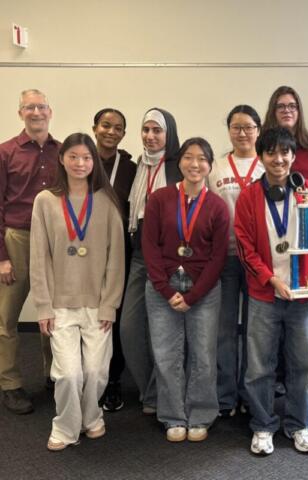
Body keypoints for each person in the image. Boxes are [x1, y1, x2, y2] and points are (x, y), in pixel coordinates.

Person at [234, 127, 308, 455]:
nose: (278, 159)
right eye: (271, 153)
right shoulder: (249, 196)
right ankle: (263, 425)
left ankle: (300, 424)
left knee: (303, 363)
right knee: (260, 365)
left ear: (293, 156)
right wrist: (269, 279)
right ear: (261, 157)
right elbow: (245, 246)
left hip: (302, 295)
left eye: (285, 153)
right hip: (265, 294)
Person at [30, 133, 124, 451]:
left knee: (96, 371)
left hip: (98, 304)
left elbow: (116, 260)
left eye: (86, 157)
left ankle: (92, 417)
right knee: (69, 374)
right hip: (59, 304)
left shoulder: (107, 201)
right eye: (73, 156)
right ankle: (66, 427)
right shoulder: (45, 201)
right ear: (62, 159)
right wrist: (42, 306)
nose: (80, 163)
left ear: (93, 161)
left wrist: (110, 305)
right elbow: (38, 257)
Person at [143, 137, 229, 442]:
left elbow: (219, 257)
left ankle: (201, 414)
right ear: (179, 162)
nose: (195, 164)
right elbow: (149, 247)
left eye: (202, 159)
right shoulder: (159, 199)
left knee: (203, 355)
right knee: (166, 354)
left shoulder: (217, 206)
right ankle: (172, 416)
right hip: (162, 287)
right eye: (189, 158)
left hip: (203, 289)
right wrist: (166, 290)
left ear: (209, 165)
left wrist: (193, 295)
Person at [0, 89, 59, 414]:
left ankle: (55, 375)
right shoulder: (5, 152)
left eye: (41, 106)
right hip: (17, 239)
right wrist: (2, 257)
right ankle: (10, 384)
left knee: (53, 313)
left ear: (50, 111)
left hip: (52, 241)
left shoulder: (63, 152)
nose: (36, 112)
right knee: (6, 318)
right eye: (29, 107)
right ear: (20, 112)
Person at [120, 108, 181, 415]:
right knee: (129, 329)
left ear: (169, 134)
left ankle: (161, 395)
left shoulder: (179, 167)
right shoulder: (136, 166)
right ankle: (149, 389)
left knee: (164, 329)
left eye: (157, 130)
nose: (150, 136)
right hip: (139, 255)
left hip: (168, 260)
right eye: (146, 129)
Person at [209, 105, 264, 417]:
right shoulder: (216, 168)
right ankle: (226, 396)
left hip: (258, 262)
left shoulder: (266, 166)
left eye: (248, 127)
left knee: (257, 331)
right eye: (236, 127)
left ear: (258, 129)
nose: (242, 133)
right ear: (228, 130)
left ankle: (249, 393)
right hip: (227, 259)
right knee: (225, 329)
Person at [92, 108, 137, 413]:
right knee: (86, 314)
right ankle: (87, 377)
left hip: (120, 249)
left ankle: (113, 381)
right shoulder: (80, 160)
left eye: (118, 127)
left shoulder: (131, 168)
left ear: (123, 134)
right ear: (94, 128)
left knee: (115, 316)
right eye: (105, 125)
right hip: (83, 251)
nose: (111, 131)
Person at [263, 86, 308, 180]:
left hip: (306, 194)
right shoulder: (261, 142)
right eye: (281, 106)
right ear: (273, 111)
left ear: (299, 111)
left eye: (292, 106)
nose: (287, 110)